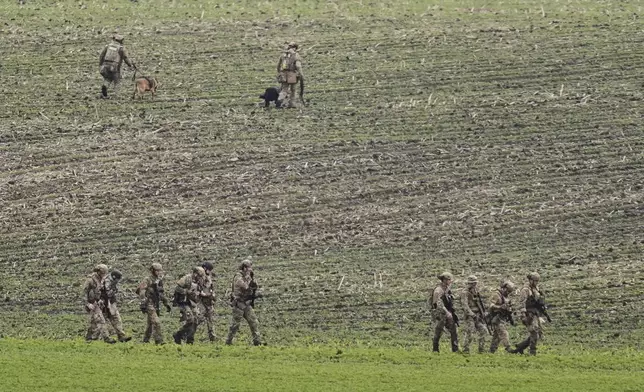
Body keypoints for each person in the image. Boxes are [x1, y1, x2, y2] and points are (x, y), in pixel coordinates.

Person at [225, 259, 262, 346]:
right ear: (244, 268)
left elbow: (254, 286)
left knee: (253, 321)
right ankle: (228, 342)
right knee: (235, 325)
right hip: (239, 304)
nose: (250, 269)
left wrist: (253, 280)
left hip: (246, 303)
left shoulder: (247, 276)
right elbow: (245, 287)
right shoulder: (238, 277)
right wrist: (249, 279)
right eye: (249, 268)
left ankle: (257, 342)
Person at [136, 263, 171, 344]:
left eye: (160, 270)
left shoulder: (159, 280)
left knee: (150, 324)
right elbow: (142, 291)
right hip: (149, 303)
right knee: (156, 321)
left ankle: (145, 340)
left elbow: (161, 293)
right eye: (157, 270)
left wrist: (166, 303)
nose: (159, 272)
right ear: (152, 271)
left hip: (155, 303)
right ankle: (159, 340)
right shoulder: (147, 280)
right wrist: (143, 302)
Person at [512, 272, 546, 355]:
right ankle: (532, 352)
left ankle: (520, 347)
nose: (537, 282)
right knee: (534, 332)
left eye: (537, 281)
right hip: (528, 314)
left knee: (537, 333)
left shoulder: (536, 289)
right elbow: (521, 303)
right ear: (531, 280)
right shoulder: (525, 290)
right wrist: (523, 315)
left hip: (535, 313)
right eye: (535, 281)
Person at [172, 267, 206, 344]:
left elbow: (199, 289)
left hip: (193, 302)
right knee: (190, 319)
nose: (200, 277)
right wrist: (186, 291)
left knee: (196, 321)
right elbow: (177, 288)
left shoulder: (199, 280)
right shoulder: (187, 279)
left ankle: (190, 339)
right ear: (195, 273)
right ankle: (179, 334)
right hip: (184, 302)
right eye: (199, 275)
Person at [83, 264, 116, 344]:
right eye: (102, 273)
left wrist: (100, 300)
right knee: (101, 320)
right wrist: (87, 304)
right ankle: (107, 338)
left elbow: (100, 291)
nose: (104, 275)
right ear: (98, 272)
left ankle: (89, 337)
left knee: (94, 321)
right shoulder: (90, 280)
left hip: (97, 302)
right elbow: (84, 293)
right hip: (91, 303)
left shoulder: (101, 279)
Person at [98, 34, 136, 98]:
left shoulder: (108, 46)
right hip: (114, 67)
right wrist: (130, 65)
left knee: (108, 78)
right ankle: (117, 95)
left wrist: (100, 64)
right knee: (117, 80)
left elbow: (101, 56)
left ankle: (105, 87)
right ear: (121, 41)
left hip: (105, 66)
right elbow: (125, 57)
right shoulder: (121, 48)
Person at [430, 272, 459, 353]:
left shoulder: (447, 289)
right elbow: (437, 303)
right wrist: (447, 312)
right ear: (444, 280)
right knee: (438, 331)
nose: (450, 281)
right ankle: (435, 350)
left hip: (447, 313)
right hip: (440, 314)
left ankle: (455, 350)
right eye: (449, 280)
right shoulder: (438, 290)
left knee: (454, 330)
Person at [460, 275, 488, 354]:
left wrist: (483, 312)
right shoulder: (464, 293)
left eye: (475, 283)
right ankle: (466, 350)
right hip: (470, 316)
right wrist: (472, 314)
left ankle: (481, 349)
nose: (474, 285)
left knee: (484, 331)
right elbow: (465, 306)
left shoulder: (476, 291)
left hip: (478, 316)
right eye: (472, 283)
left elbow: (480, 304)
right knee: (470, 333)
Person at [102, 270, 132, 342]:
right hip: (104, 304)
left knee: (116, 318)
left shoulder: (112, 282)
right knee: (102, 321)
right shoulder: (107, 281)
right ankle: (105, 337)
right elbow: (107, 293)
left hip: (111, 303)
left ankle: (121, 336)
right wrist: (114, 290)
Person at [488, 280, 516, 353]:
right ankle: (508, 348)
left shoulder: (506, 297)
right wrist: (500, 307)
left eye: (510, 292)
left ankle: (492, 350)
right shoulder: (496, 295)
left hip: (503, 318)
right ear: (504, 288)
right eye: (507, 291)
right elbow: (491, 305)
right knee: (504, 332)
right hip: (496, 318)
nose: (508, 293)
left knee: (497, 336)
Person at [276, 41, 303, 108]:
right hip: (292, 74)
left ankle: (280, 99)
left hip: (283, 73)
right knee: (293, 89)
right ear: (295, 48)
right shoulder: (295, 55)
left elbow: (278, 65)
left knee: (284, 89)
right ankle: (292, 103)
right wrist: (301, 74)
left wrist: (279, 72)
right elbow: (298, 66)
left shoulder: (283, 55)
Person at [199, 261, 216, 342]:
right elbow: (197, 290)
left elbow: (211, 287)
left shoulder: (208, 277)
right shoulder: (199, 277)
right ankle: (187, 334)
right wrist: (204, 294)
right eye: (209, 270)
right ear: (205, 268)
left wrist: (212, 295)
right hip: (201, 302)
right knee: (198, 319)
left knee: (210, 320)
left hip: (208, 301)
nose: (210, 272)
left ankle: (212, 337)